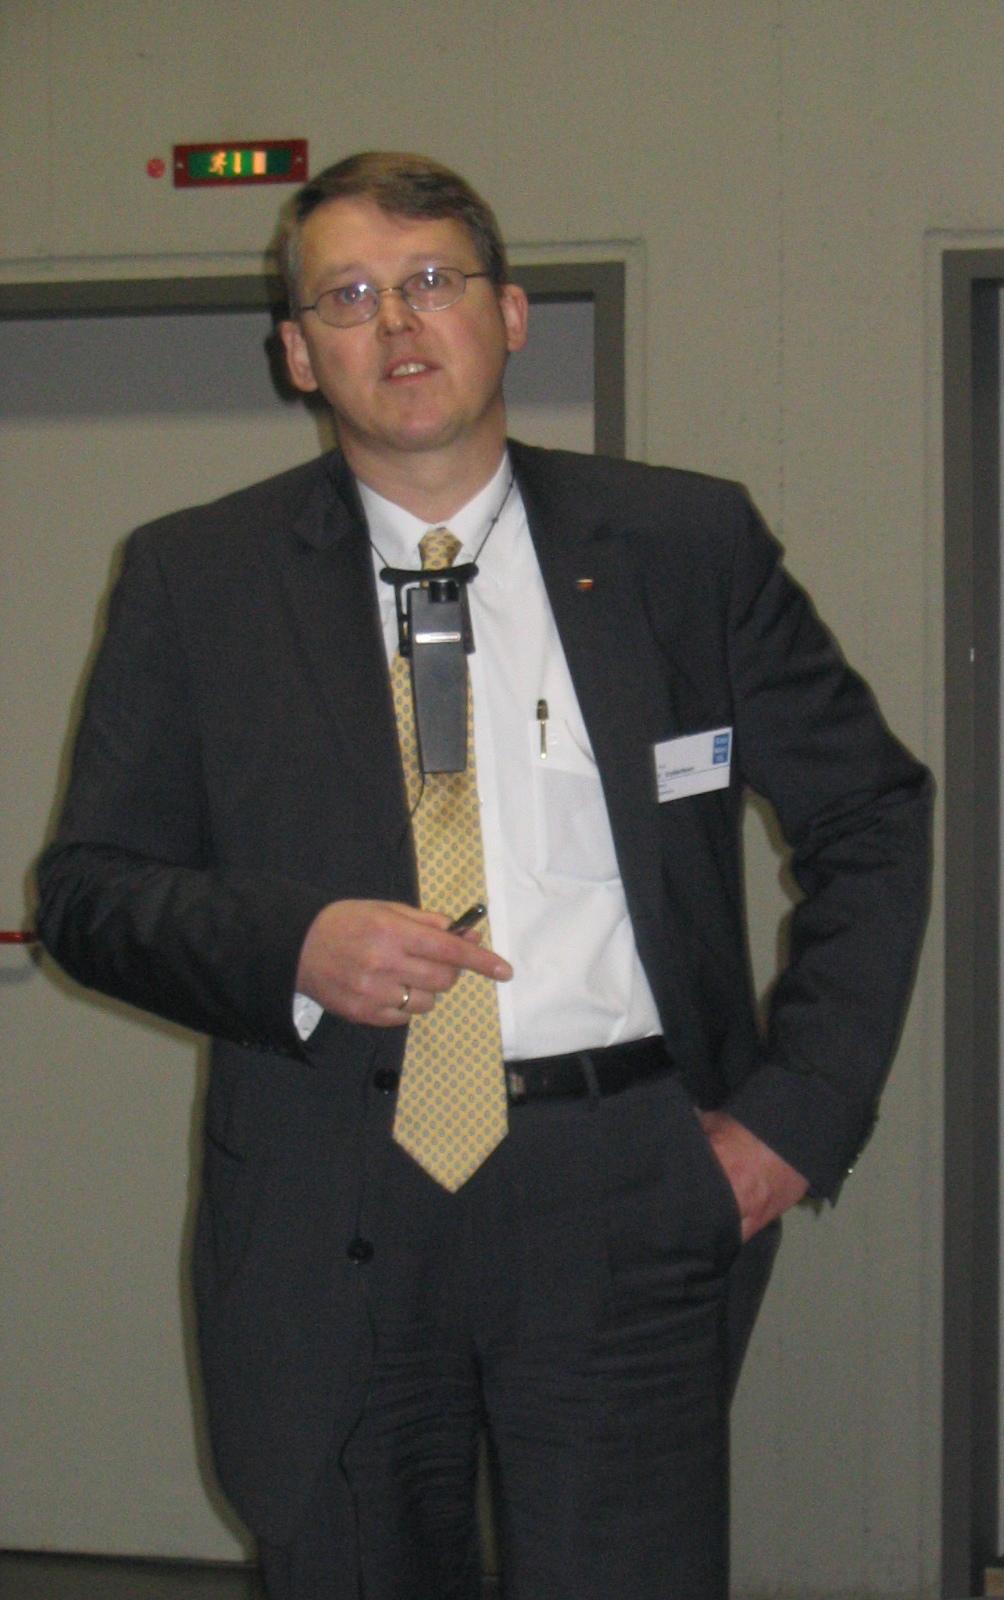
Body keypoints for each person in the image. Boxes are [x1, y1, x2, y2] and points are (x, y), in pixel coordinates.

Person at [36, 151, 932, 1600]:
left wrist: (796, 1116)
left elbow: (874, 816)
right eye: (346, 297)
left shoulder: (682, 547)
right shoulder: (198, 580)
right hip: (333, 1190)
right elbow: (87, 893)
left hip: (621, 1181)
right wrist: (290, 942)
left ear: (509, 316)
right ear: (297, 354)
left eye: (432, 282)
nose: (396, 323)